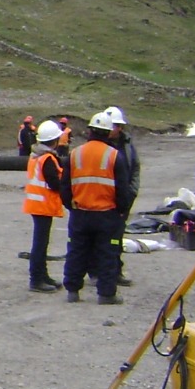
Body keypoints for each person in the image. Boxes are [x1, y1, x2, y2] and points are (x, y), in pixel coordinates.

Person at [60, 112, 136, 305]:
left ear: (89, 131)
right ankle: (106, 294)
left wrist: (72, 206)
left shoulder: (75, 154)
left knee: (76, 252)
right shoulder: (114, 156)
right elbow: (122, 188)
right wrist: (121, 210)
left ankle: (72, 290)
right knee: (107, 254)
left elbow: (65, 187)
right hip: (106, 215)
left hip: (80, 213)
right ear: (108, 132)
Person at [22, 120, 65, 292]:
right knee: (40, 244)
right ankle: (36, 280)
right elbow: (55, 183)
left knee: (41, 242)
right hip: (43, 205)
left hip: (36, 205)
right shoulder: (48, 159)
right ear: (54, 140)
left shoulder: (36, 156)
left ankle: (42, 276)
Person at [103, 106, 140, 287]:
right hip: (103, 200)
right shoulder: (100, 146)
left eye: (116, 126)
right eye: (111, 126)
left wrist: (131, 193)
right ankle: (98, 272)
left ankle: (116, 271)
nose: (114, 129)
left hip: (122, 200)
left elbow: (135, 169)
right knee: (99, 239)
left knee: (116, 238)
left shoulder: (127, 146)